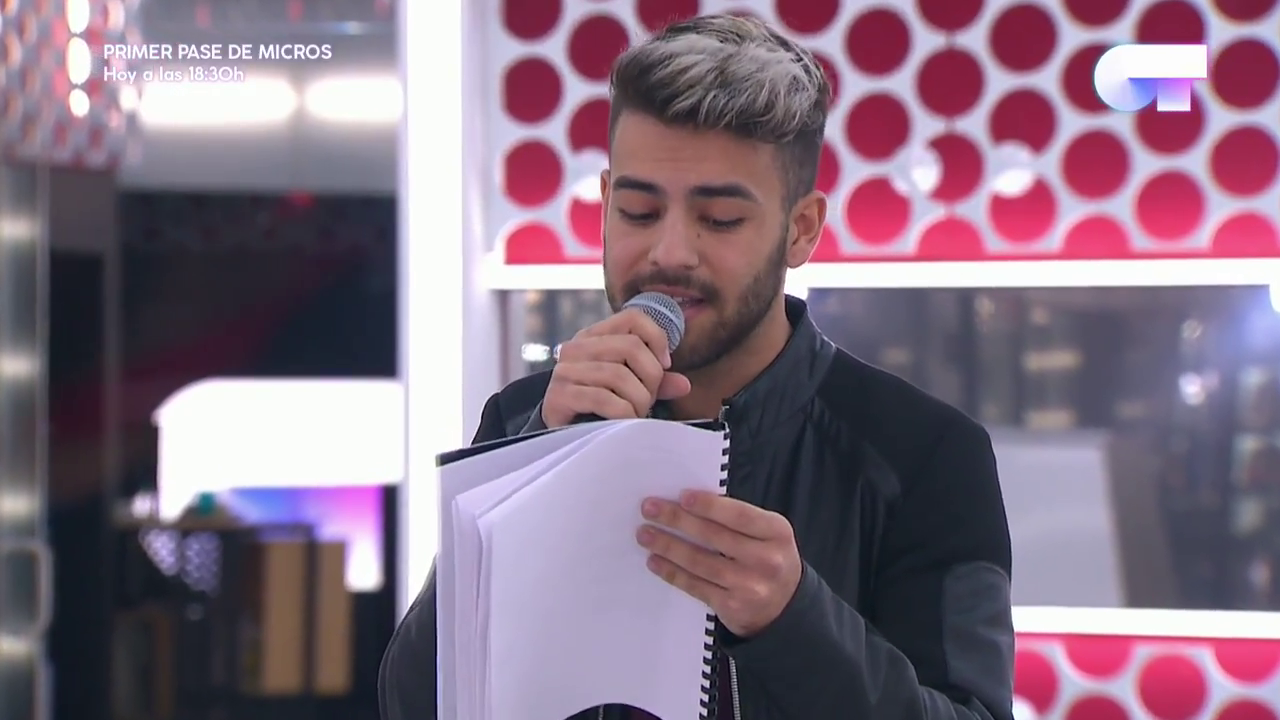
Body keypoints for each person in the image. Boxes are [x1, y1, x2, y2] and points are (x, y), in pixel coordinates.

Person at [380, 14, 1015, 720]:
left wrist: (796, 621)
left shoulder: (925, 454)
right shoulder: (528, 418)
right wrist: (539, 464)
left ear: (800, 229)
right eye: (639, 211)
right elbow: (414, 702)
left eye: (719, 220)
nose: (670, 253)